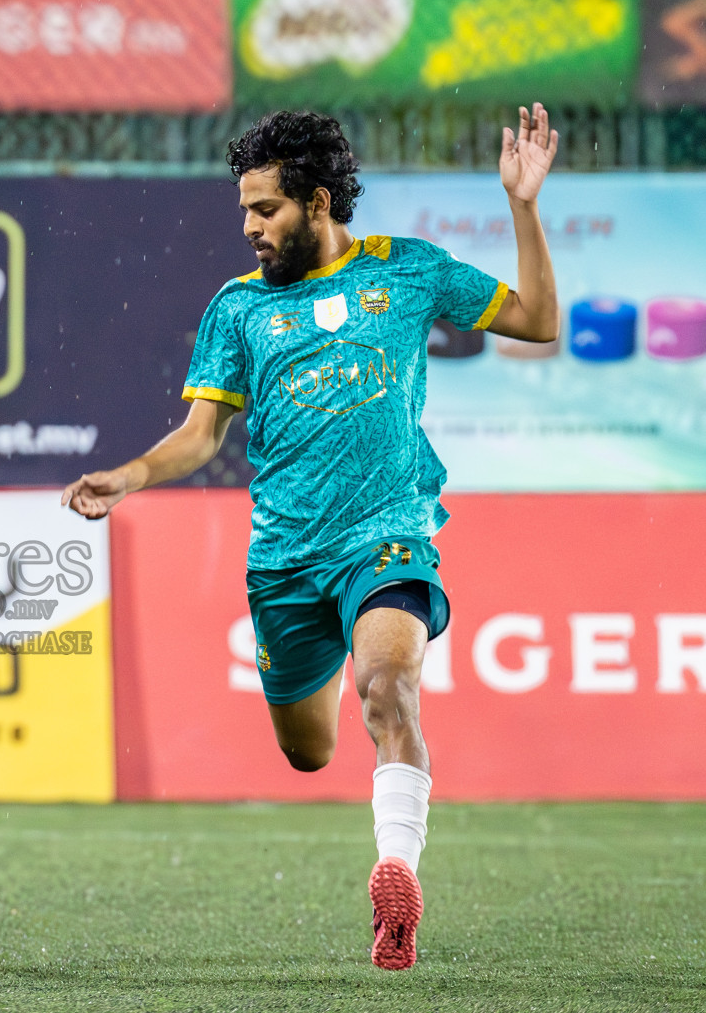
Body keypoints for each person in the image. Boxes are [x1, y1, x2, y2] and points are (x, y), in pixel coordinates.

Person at [61, 105, 559, 970]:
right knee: (308, 751)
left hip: (387, 533)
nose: (250, 228)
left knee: (389, 688)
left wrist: (523, 207)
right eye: (245, 211)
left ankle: (395, 874)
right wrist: (129, 476)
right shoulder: (239, 308)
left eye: (265, 210)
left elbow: (536, 322)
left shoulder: (406, 272)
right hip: (284, 561)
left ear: (317, 202)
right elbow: (200, 436)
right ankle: (322, 674)